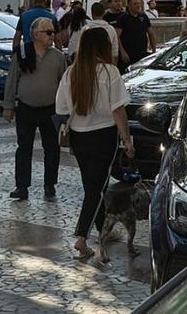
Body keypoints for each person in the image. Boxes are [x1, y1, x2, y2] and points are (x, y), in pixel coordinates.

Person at [54, 27, 134, 260]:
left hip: (78, 138)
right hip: (104, 137)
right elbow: (118, 110)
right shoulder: (110, 72)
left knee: (92, 187)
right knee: (96, 190)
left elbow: (61, 109)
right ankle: (81, 237)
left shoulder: (71, 73)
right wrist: (127, 140)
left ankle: (102, 232)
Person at [3, 18, 66, 201]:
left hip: (51, 109)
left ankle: (50, 184)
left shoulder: (58, 56)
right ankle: (22, 186)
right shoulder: (22, 53)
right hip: (26, 108)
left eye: (53, 32)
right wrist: (8, 106)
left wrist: (66, 110)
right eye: (48, 32)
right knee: (24, 147)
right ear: (36, 35)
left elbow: (64, 84)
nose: (52, 35)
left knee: (52, 148)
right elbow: (12, 79)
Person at [113, 0, 155, 70]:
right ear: (129, 5)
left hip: (142, 53)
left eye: (139, 3)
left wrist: (153, 50)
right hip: (128, 54)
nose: (138, 6)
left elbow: (151, 33)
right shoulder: (123, 18)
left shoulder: (143, 17)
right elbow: (117, 37)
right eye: (135, 4)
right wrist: (122, 52)